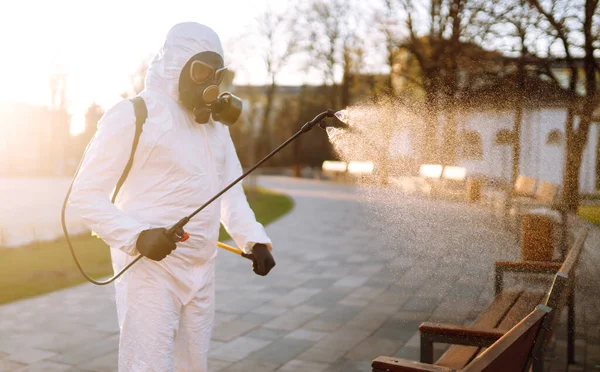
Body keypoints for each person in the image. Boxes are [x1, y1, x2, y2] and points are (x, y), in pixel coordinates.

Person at [69, 22, 275, 372]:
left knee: (193, 366)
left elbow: (230, 194)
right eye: (200, 71)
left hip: (202, 269)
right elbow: (84, 196)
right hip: (150, 270)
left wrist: (254, 240)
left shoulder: (215, 128)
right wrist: (136, 237)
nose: (209, 82)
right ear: (175, 65)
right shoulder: (134, 115)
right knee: (147, 365)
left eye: (217, 73)